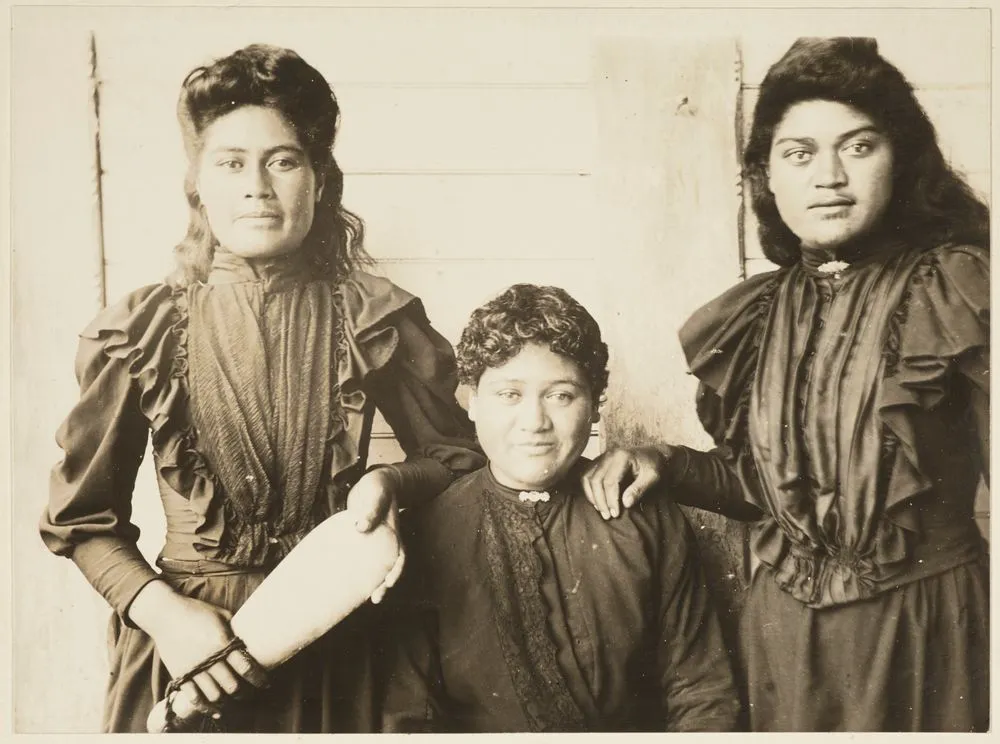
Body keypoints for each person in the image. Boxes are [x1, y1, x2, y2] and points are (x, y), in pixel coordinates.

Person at [40, 44, 484, 733]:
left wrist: (392, 488)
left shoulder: (375, 316)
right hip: (192, 650)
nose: (257, 186)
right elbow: (82, 520)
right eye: (231, 163)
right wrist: (165, 613)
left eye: (282, 160)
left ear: (318, 179)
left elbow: (459, 461)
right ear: (199, 186)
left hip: (342, 639)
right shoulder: (140, 329)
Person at [581, 37, 990, 732]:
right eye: (800, 153)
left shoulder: (959, 288)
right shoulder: (756, 315)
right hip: (786, 639)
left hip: (923, 632)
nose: (828, 176)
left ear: (902, 158)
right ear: (767, 174)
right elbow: (765, 490)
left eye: (858, 147)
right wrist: (663, 463)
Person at [380, 284, 742, 732]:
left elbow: (702, 692)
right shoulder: (427, 531)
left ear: (594, 407)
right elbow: (411, 716)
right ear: (471, 402)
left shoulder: (644, 514)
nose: (534, 422)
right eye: (509, 394)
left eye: (561, 396)